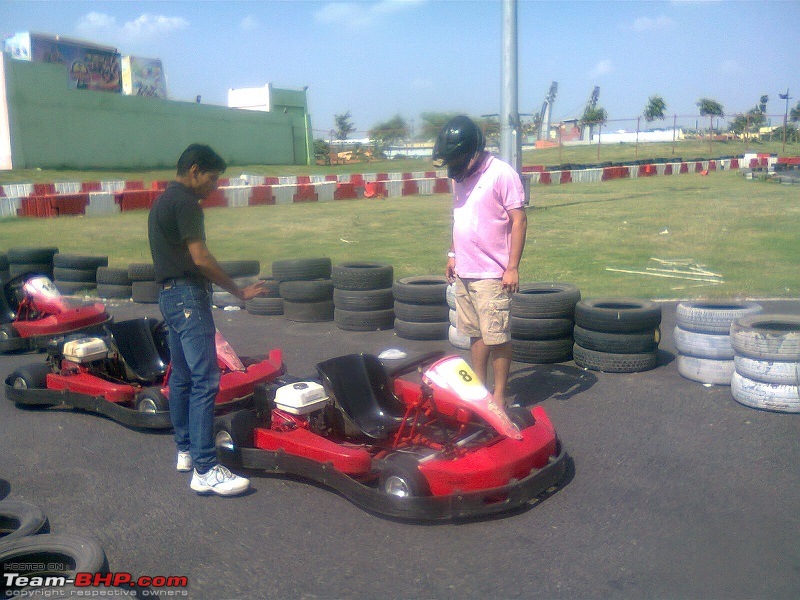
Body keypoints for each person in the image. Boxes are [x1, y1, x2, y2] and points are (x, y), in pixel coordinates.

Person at [148, 143, 264, 496]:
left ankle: (186, 449)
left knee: (182, 376)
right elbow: (200, 258)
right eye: (213, 178)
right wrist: (238, 291)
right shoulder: (186, 203)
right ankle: (206, 469)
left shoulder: (162, 201)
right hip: (187, 298)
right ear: (195, 170)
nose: (215, 186)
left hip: (168, 296)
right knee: (206, 379)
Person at [434, 116, 528, 406]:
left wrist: (511, 268)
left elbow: (519, 220)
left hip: (492, 273)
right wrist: (452, 254)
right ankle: (479, 390)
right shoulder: (458, 176)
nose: (454, 164)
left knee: (497, 336)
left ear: (474, 152)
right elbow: (459, 216)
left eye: (458, 157)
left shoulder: (502, 173)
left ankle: (499, 395)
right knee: (476, 335)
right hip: (465, 270)